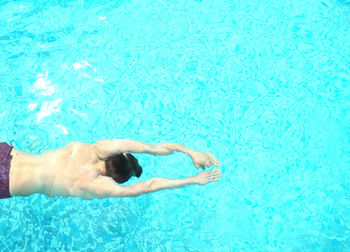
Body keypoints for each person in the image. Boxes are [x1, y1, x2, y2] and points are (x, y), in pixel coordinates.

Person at [0, 140, 221, 200]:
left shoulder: (94, 148)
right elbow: (148, 186)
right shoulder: (95, 185)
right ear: (116, 178)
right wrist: (193, 179)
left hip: (7, 153)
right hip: (6, 182)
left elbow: (149, 147)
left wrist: (188, 151)